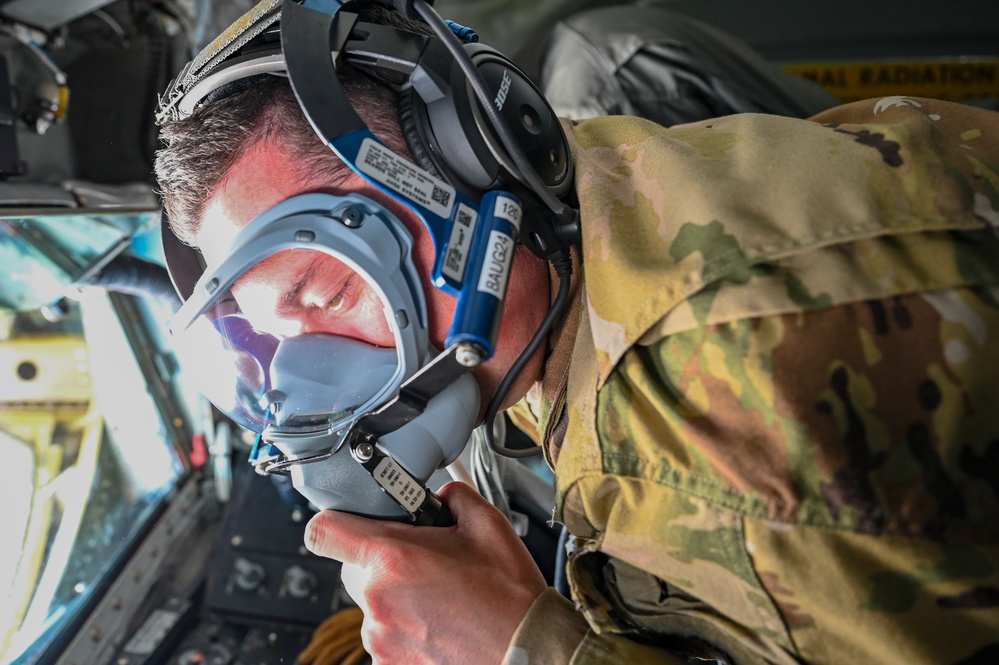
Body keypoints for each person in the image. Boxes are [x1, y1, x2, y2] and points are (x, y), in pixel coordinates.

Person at [155, 3, 999, 664]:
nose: (320, 371)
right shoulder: (567, 235)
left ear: (476, 161)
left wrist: (523, 648)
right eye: (282, 335)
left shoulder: (732, 400)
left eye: (333, 289)